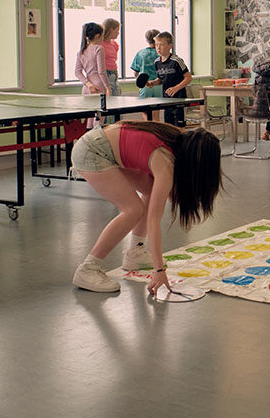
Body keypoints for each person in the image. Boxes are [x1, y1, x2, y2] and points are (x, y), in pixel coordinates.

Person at [71, 121, 223, 294]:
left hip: (101, 144)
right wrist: (159, 271)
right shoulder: (166, 162)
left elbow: (163, 192)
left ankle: (136, 252)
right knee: (133, 209)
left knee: (150, 189)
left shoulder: (177, 139)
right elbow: (154, 220)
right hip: (92, 151)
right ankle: (88, 268)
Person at [147, 32, 192, 127]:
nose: (158, 48)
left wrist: (176, 88)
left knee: (179, 127)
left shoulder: (176, 61)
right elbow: (160, 79)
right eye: (156, 45)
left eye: (161, 45)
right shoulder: (157, 62)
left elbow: (188, 77)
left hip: (179, 99)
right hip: (166, 100)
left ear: (170, 46)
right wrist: (153, 83)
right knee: (169, 127)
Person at [74, 22, 110, 127]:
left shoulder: (81, 51)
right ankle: (97, 141)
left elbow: (77, 72)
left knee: (89, 118)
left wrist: (88, 84)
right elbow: (101, 71)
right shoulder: (99, 48)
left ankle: (89, 141)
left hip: (87, 87)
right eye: (102, 35)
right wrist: (108, 87)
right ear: (98, 35)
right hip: (99, 84)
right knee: (99, 117)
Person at [130, 29, 162, 98]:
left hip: (145, 85)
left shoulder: (141, 53)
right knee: (158, 107)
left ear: (147, 40)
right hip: (160, 85)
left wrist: (140, 81)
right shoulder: (162, 53)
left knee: (146, 106)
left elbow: (136, 72)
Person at [101, 18, 122, 96]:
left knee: (116, 96)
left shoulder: (114, 44)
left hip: (114, 73)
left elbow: (114, 60)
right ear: (111, 30)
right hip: (105, 74)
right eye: (117, 30)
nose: (118, 32)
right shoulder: (100, 44)